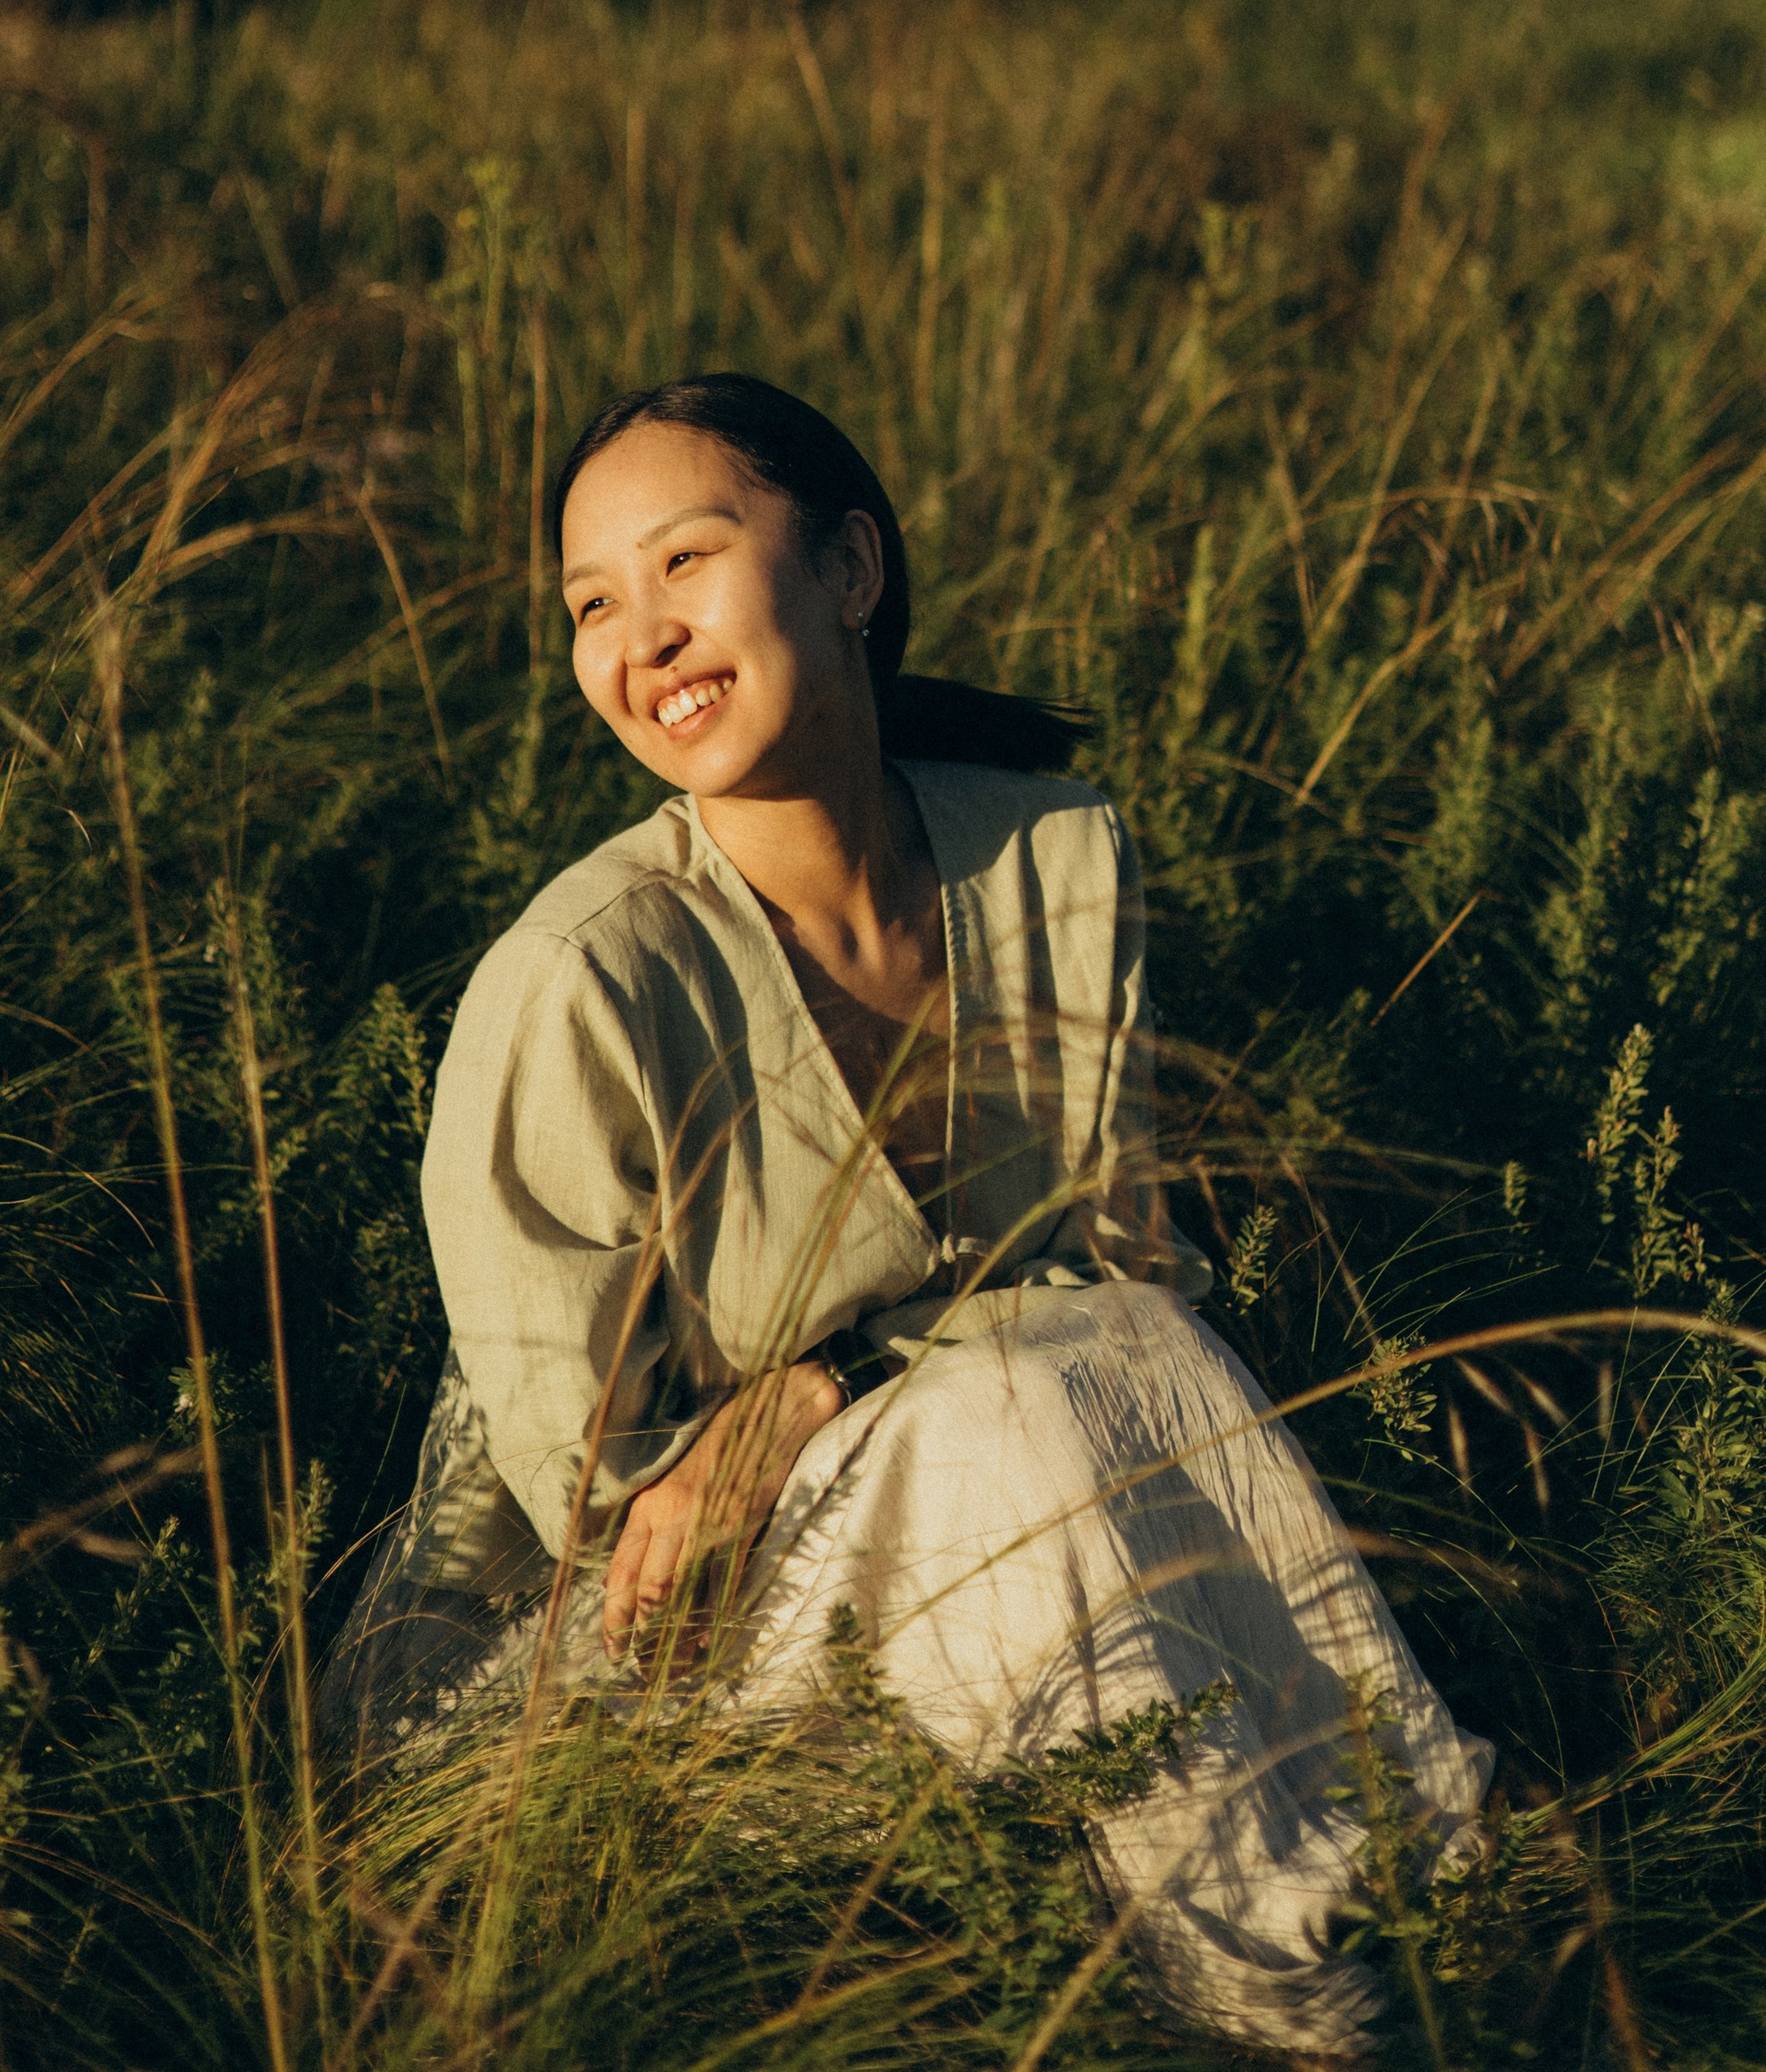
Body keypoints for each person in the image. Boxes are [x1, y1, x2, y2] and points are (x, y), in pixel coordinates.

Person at [320, 373, 1489, 2056]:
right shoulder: (581, 982)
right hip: (631, 1637)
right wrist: (858, 1400)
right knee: (1021, 1399)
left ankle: (1423, 1861)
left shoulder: (1051, 851)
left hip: (992, 1475)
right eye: (591, 605)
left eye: (685, 566)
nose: (638, 638)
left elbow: (1112, 1258)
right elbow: (614, 1506)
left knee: (1132, 1345)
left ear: (850, 572)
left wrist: (837, 1374)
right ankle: (1284, 1997)